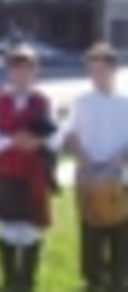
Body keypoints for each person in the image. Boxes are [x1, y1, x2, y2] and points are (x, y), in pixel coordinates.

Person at [0, 44, 58, 292]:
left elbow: (53, 137)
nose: (22, 74)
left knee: (31, 229)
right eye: (17, 68)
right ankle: (9, 281)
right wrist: (13, 141)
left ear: (35, 71)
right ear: (9, 70)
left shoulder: (43, 101)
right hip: (6, 172)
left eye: (28, 68)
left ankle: (26, 282)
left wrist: (37, 142)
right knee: (7, 229)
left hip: (33, 175)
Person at [65, 42, 128, 291]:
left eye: (101, 70)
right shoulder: (81, 101)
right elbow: (70, 134)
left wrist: (121, 157)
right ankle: (93, 278)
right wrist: (82, 155)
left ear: (113, 70)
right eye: (92, 70)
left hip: (120, 173)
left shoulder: (125, 102)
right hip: (89, 172)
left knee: (121, 229)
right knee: (90, 228)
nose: (96, 76)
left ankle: (118, 276)